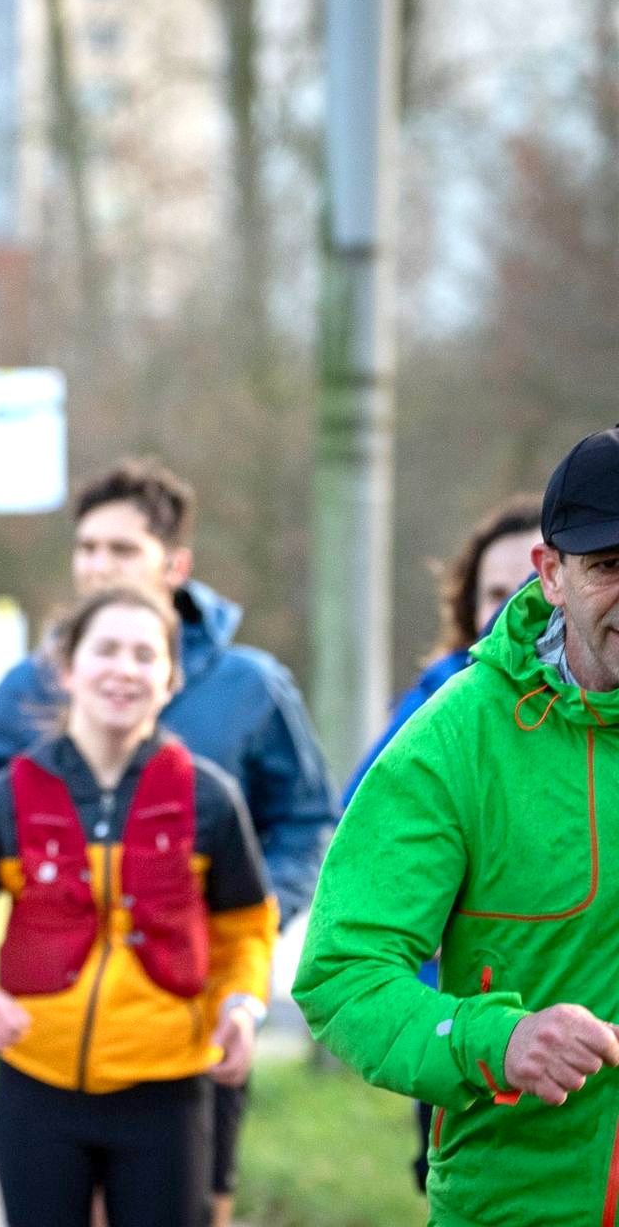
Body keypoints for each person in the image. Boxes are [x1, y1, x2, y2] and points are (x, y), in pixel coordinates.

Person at [0, 458, 333, 1224]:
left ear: (176, 565)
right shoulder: (30, 686)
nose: (99, 566)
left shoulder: (251, 686)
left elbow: (306, 818)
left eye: (122, 550)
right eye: (87, 547)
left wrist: (257, 908)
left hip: (189, 1014)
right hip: (58, 1026)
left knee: (203, 1207)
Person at [294, 424, 619, 1226]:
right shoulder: (453, 741)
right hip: (521, 1206)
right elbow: (343, 973)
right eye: (610, 568)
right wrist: (492, 1040)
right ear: (550, 575)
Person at [0, 586, 277, 1227]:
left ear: (171, 677)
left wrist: (243, 1003)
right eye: (107, 650)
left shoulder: (211, 800)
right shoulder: (7, 799)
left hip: (170, 1093)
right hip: (36, 1093)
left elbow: (247, 934)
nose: (124, 668)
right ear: (68, 668)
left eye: (144, 654)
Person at [333, 495, 540, 1193]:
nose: (513, 604)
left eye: (530, 584)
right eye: (494, 590)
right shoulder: (438, 706)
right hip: (458, 1025)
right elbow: (369, 859)